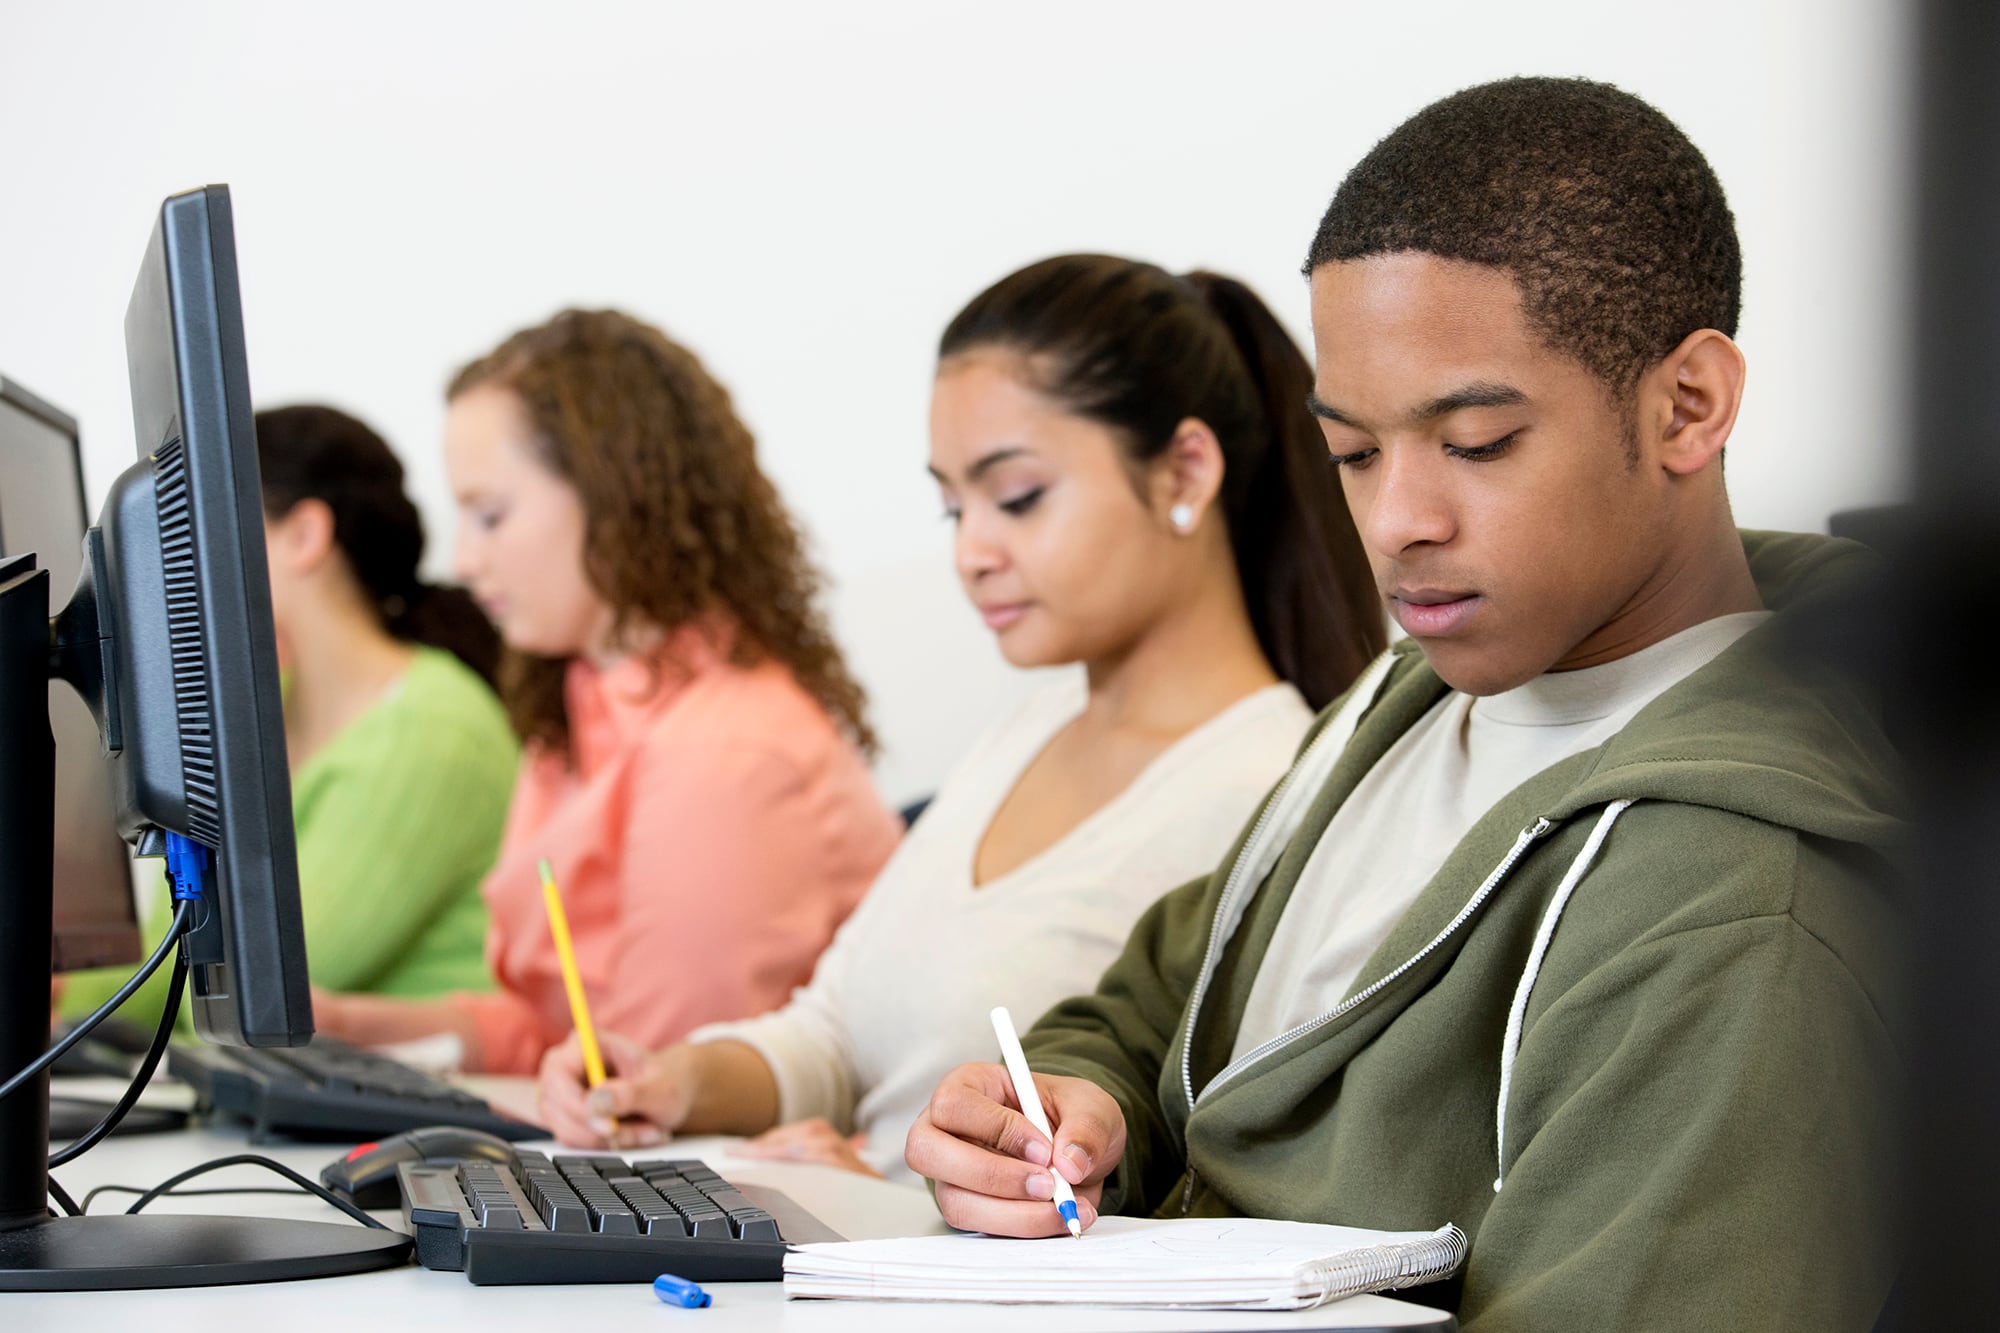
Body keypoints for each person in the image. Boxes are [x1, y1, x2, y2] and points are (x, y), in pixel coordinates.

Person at [905, 78, 1902, 1332]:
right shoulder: (1401, 701)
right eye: (1353, 453)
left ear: (1686, 406)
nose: (1392, 523)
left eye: (1475, 441)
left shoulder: (1738, 908)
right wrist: (1064, 1101)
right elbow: (1160, 1004)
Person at [535, 255, 1386, 1179]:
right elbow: (831, 1036)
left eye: (1016, 497)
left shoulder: (1270, 790)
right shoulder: (1026, 733)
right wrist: (675, 1078)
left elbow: (1190, 1163)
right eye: (952, 507)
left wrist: (888, 1197)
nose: (973, 551)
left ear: (1185, 470)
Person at [311, 308, 902, 1074]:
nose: (465, 557)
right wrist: (353, 1024)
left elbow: (655, 1085)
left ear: (614, 497)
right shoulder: (579, 707)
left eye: (491, 514)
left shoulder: (725, 753)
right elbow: (557, 1037)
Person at [59, 405, 518, 1028]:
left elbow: (261, 979)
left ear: (304, 536)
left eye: (201, 532)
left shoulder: (434, 729)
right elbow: (173, 935)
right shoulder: (266, 708)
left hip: (437, 1093)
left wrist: (55, 995)